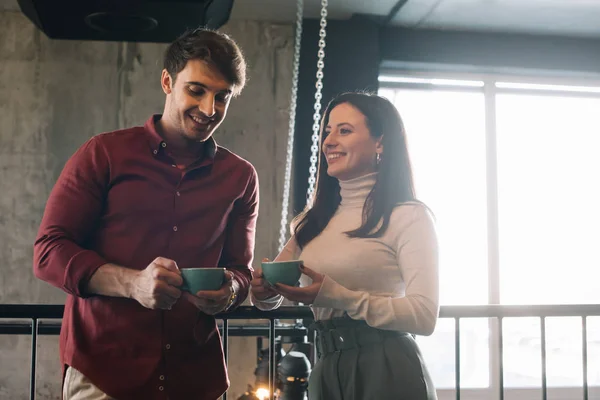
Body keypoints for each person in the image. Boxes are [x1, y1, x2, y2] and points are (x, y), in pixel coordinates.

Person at [33, 28, 259, 400]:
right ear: (167, 81)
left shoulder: (241, 177)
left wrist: (231, 289)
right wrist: (133, 284)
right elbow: (48, 252)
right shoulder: (103, 154)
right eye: (197, 90)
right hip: (103, 374)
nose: (209, 109)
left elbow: (240, 270)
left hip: (196, 378)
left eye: (222, 97)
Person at [250, 92, 439, 399]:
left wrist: (339, 296)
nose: (329, 141)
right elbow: (273, 292)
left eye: (344, 130)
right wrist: (263, 292)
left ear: (380, 142)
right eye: (328, 132)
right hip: (324, 366)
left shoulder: (409, 216)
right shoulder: (311, 223)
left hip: (387, 364)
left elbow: (424, 315)